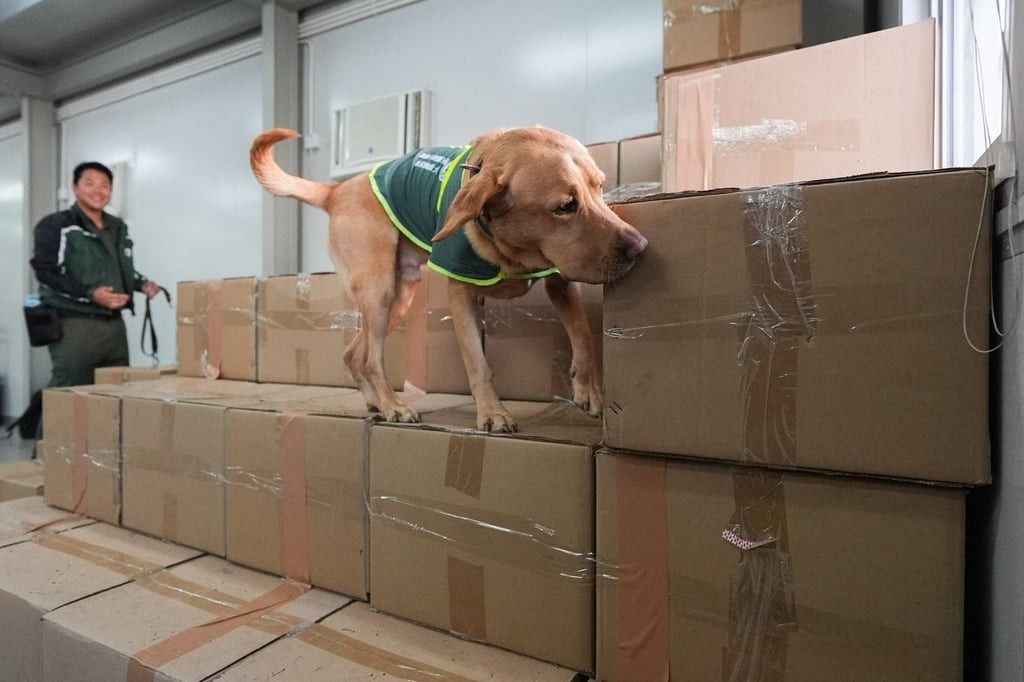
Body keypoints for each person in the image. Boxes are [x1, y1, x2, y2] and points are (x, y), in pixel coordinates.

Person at [30, 161, 162, 387]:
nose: (98, 191)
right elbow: (45, 272)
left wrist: (141, 284)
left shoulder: (117, 226)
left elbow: (118, 266)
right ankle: (43, 424)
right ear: (75, 187)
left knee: (116, 391)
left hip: (114, 325)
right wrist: (91, 294)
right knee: (70, 393)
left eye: (104, 185)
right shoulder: (56, 225)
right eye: (89, 183)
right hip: (75, 322)